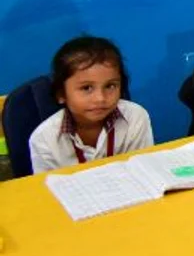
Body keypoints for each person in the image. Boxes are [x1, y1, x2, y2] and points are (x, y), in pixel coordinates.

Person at [29, 36, 154, 173]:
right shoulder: (44, 139)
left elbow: (143, 172)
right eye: (86, 88)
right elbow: (46, 185)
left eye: (110, 86)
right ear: (61, 94)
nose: (100, 98)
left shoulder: (135, 118)